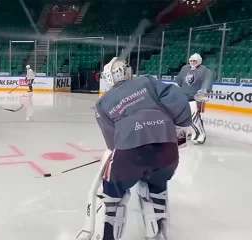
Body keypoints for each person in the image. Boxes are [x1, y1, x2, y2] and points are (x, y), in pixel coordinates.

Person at [76, 57, 192, 240]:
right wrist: (179, 125)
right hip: (167, 151)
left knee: (112, 190)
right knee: (157, 183)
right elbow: (179, 101)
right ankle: (158, 232)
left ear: (107, 78)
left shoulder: (102, 103)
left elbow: (112, 144)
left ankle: (108, 234)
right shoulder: (147, 82)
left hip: (130, 155)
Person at [174, 53, 213, 145]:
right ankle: (189, 132)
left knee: (194, 116)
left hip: (195, 98)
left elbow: (207, 83)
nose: (192, 62)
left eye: (194, 61)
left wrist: (203, 92)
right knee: (184, 117)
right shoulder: (185, 69)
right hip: (183, 97)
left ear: (199, 61)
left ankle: (200, 134)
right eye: (191, 60)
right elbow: (178, 81)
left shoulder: (205, 71)